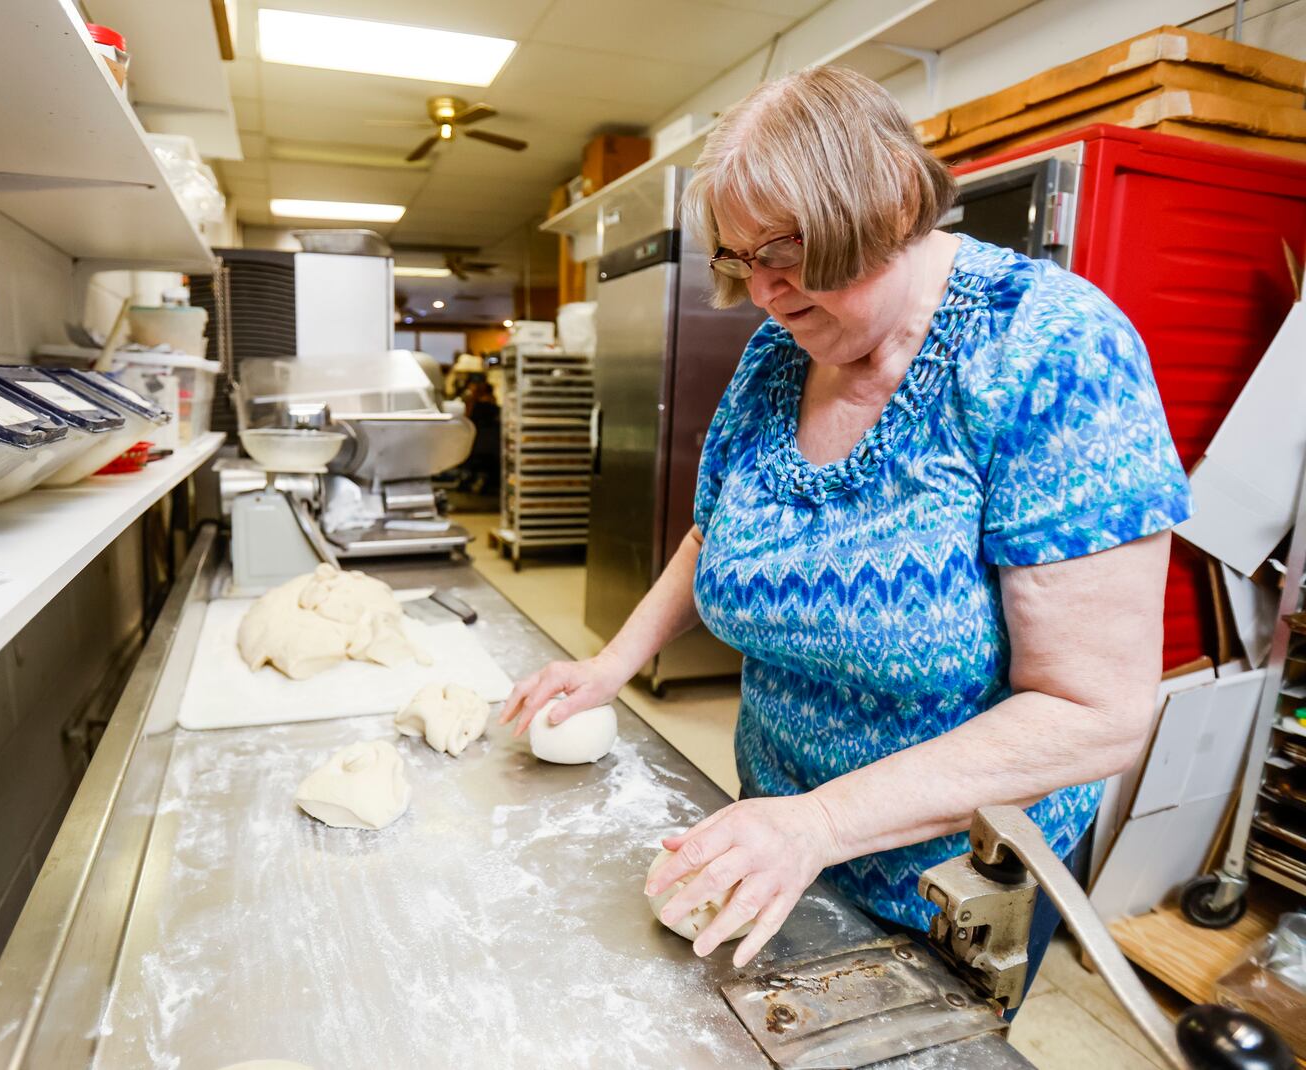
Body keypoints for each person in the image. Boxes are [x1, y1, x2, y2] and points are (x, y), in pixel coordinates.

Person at [498, 66, 1192, 986]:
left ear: (895, 205)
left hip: (943, 891)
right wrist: (609, 664)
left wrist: (822, 823)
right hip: (771, 831)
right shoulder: (784, 347)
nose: (765, 293)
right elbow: (716, 530)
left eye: (787, 252)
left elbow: (1094, 712)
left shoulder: (1049, 351)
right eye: (742, 263)